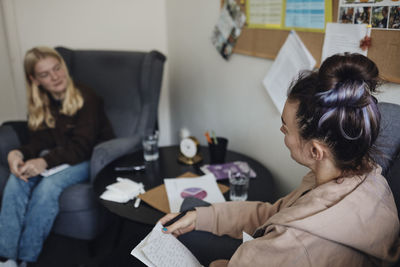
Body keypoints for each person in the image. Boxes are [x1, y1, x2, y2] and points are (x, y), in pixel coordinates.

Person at [160, 53, 400, 266]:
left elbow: (281, 234)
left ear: (316, 151)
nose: (281, 132)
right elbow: (275, 213)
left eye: (286, 128)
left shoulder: (295, 243)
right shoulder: (364, 177)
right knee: (191, 210)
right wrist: (202, 216)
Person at [0, 46, 114, 266]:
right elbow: (40, 141)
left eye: (57, 68)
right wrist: (19, 153)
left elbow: (82, 147)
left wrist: (44, 161)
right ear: (34, 80)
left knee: (48, 186)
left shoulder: (86, 97)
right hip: (59, 158)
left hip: (88, 158)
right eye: (45, 74)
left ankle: (26, 257)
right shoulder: (41, 102)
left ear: (63, 67)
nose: (55, 77)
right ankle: (7, 258)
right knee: (17, 179)